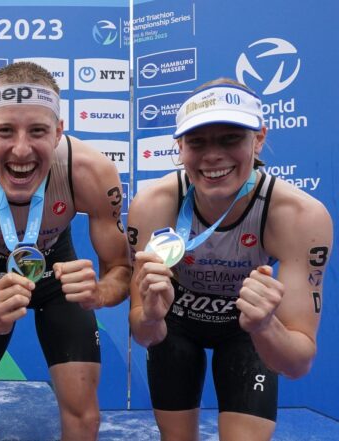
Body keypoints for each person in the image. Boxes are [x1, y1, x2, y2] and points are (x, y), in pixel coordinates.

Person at [0, 61, 131, 440]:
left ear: (58, 132)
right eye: (5, 130)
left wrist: (101, 292)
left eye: (37, 131)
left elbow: (121, 267)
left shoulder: (90, 171)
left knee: (84, 416)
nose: (21, 150)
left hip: (58, 266)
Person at [128, 78, 333, 441]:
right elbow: (144, 334)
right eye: (198, 142)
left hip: (248, 329)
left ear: (258, 139)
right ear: (179, 147)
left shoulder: (300, 216)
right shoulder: (152, 204)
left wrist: (265, 324)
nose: (212, 156)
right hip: (178, 322)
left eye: (230, 139)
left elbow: (298, 362)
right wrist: (152, 315)